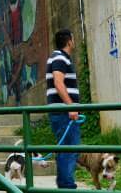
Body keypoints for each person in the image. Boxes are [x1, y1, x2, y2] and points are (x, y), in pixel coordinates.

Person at [47, 29, 82, 189]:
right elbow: (58, 83)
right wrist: (71, 106)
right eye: (73, 39)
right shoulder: (60, 57)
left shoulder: (59, 57)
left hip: (62, 111)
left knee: (66, 149)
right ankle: (67, 186)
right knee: (70, 148)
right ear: (69, 41)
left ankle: (64, 185)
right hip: (64, 112)